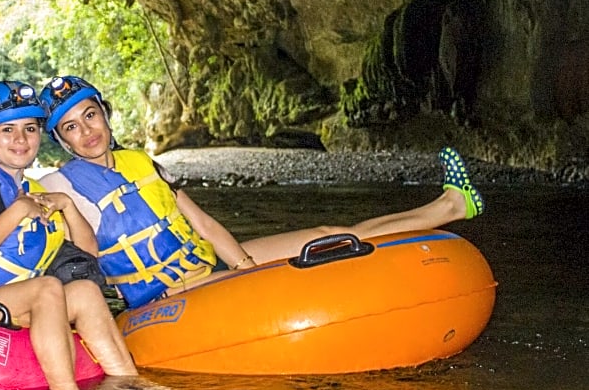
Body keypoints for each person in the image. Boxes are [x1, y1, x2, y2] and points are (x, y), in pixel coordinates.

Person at [37, 75, 486, 309]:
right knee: (297, 273)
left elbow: (204, 224)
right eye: (71, 127)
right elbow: (74, 253)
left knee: (332, 232)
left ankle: (451, 205)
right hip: (166, 298)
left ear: (106, 115)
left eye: (91, 115)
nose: (87, 132)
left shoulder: (142, 162)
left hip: (208, 268)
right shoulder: (60, 185)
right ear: (63, 140)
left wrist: (245, 267)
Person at [0, 80, 137, 390]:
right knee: (47, 288)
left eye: (30, 129)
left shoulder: (31, 192)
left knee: (86, 291)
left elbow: (89, 254)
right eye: (7, 130)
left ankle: (129, 385)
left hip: (3, 301)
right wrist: (17, 211)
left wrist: (69, 206)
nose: (21, 139)